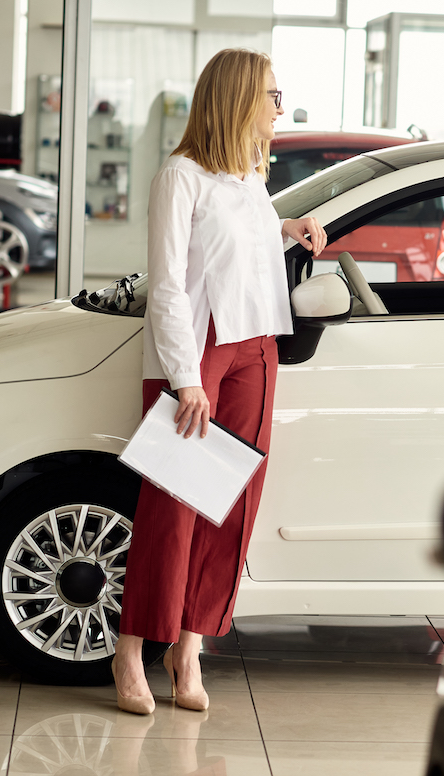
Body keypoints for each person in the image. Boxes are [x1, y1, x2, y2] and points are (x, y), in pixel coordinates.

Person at [110, 49, 327, 715]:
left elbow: (243, 247)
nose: (279, 108)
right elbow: (167, 285)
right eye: (271, 95)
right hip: (199, 351)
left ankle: (190, 647)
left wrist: (288, 228)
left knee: (231, 503)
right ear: (238, 99)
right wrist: (185, 378)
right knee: (173, 505)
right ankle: (130, 649)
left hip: (256, 344)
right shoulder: (181, 176)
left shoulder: (250, 175)